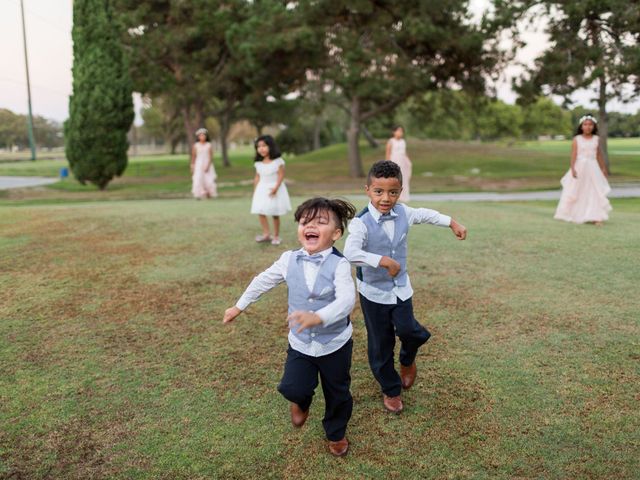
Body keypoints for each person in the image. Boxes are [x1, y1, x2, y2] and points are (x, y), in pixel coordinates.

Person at [223, 198, 357, 457]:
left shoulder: (339, 264)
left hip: (335, 343)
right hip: (300, 343)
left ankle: (336, 432)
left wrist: (318, 317)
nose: (311, 226)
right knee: (292, 387)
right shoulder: (288, 259)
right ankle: (302, 401)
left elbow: (346, 300)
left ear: (336, 234)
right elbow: (262, 281)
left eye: (321, 222)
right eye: (305, 221)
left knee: (338, 392)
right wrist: (239, 306)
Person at [344, 161, 467, 414]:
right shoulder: (360, 223)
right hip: (374, 293)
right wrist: (382, 260)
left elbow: (426, 214)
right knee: (381, 343)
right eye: (379, 192)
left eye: (393, 192)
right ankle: (391, 389)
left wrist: (452, 222)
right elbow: (350, 253)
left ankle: (408, 359)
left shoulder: (404, 213)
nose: (386, 198)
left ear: (400, 191)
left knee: (411, 331)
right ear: (367, 190)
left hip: (401, 289)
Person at [554, 114, 612, 225]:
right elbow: (574, 154)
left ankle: (596, 217)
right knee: (578, 190)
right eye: (585, 124)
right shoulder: (577, 139)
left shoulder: (596, 139)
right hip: (580, 167)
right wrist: (572, 168)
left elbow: (599, 154)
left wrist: (603, 168)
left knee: (594, 190)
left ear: (594, 127)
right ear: (581, 127)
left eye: (590, 125)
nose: (588, 127)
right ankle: (576, 214)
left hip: (593, 167)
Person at [251, 135, 292, 245]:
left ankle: (276, 236)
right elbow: (257, 177)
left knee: (274, 212)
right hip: (262, 189)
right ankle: (266, 234)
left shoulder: (278, 161)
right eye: (258, 146)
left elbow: (281, 175)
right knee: (261, 211)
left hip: (274, 188)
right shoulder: (258, 163)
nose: (261, 149)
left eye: (264, 146)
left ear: (271, 146)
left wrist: (275, 188)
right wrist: (255, 190)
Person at [386, 126, 412, 202]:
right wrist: (388, 164)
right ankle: (393, 194)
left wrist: (408, 161)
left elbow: (404, 152)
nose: (400, 133)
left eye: (401, 131)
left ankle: (404, 196)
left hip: (402, 161)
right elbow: (388, 153)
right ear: (394, 132)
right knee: (395, 178)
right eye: (398, 131)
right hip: (394, 160)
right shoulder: (391, 141)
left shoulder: (403, 141)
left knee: (403, 178)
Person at [190, 128, 217, 199]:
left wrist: (208, 166)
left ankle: (209, 193)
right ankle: (198, 194)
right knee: (198, 179)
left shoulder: (208, 145)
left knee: (209, 180)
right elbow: (193, 157)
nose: (202, 137)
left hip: (207, 163)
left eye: (203, 135)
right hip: (198, 164)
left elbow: (211, 157)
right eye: (200, 135)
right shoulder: (196, 145)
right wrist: (192, 166)